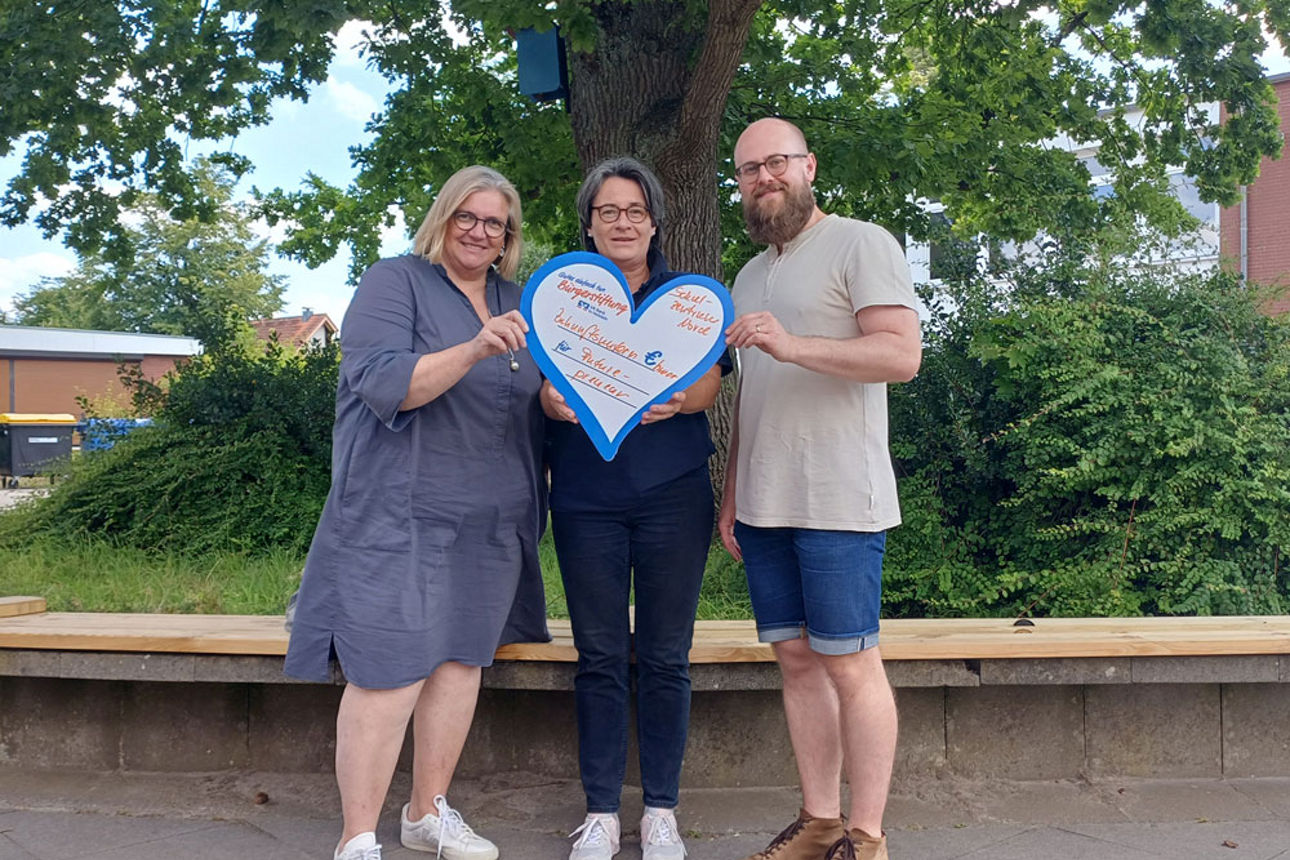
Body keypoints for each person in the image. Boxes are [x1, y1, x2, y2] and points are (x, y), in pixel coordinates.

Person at [284, 165, 550, 860]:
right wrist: (472, 348)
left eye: (495, 223)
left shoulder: (518, 299)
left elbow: (539, 406)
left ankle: (426, 815)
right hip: (397, 514)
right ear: (442, 219)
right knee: (390, 668)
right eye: (467, 216)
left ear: (508, 238)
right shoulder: (393, 281)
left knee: (462, 661)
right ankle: (358, 836)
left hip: (490, 521)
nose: (480, 231)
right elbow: (383, 384)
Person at [719, 119, 922, 860]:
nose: (764, 177)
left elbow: (901, 356)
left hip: (840, 498)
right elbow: (752, 393)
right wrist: (733, 491)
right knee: (798, 663)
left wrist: (792, 343)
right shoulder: (748, 275)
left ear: (808, 166)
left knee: (850, 664)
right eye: (748, 170)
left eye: (777, 163)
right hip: (767, 500)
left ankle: (866, 838)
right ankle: (819, 823)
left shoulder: (862, 242)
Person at [540, 156, 731, 860]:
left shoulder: (690, 298)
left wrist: (685, 397)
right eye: (608, 211)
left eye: (636, 211)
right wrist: (546, 399)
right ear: (589, 224)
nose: (623, 222)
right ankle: (598, 811)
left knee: (664, 656)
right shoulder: (559, 297)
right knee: (597, 655)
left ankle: (659, 811)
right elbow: (535, 381)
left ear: (655, 221)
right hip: (586, 499)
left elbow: (713, 379)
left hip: (672, 497)